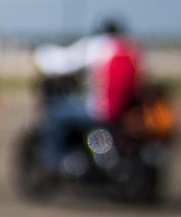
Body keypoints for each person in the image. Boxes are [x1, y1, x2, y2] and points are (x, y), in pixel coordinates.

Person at [33, 18, 142, 173]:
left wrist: (38, 55)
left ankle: (57, 162)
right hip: (126, 110)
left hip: (101, 110)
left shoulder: (97, 47)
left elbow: (62, 62)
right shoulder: (131, 48)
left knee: (56, 115)